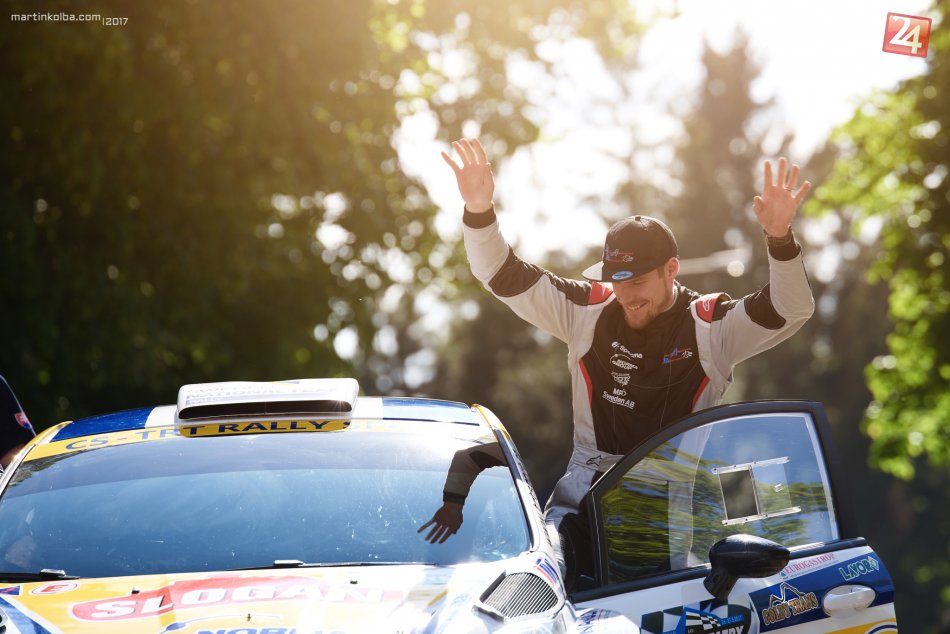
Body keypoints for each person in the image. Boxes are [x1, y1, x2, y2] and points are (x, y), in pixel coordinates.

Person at [441, 138, 815, 534]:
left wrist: (779, 239)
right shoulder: (586, 310)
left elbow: (792, 308)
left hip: (667, 516)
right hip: (581, 502)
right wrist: (479, 210)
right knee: (547, 566)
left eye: (636, 282)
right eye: (616, 282)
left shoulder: (711, 326)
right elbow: (500, 273)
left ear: (671, 270)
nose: (626, 297)